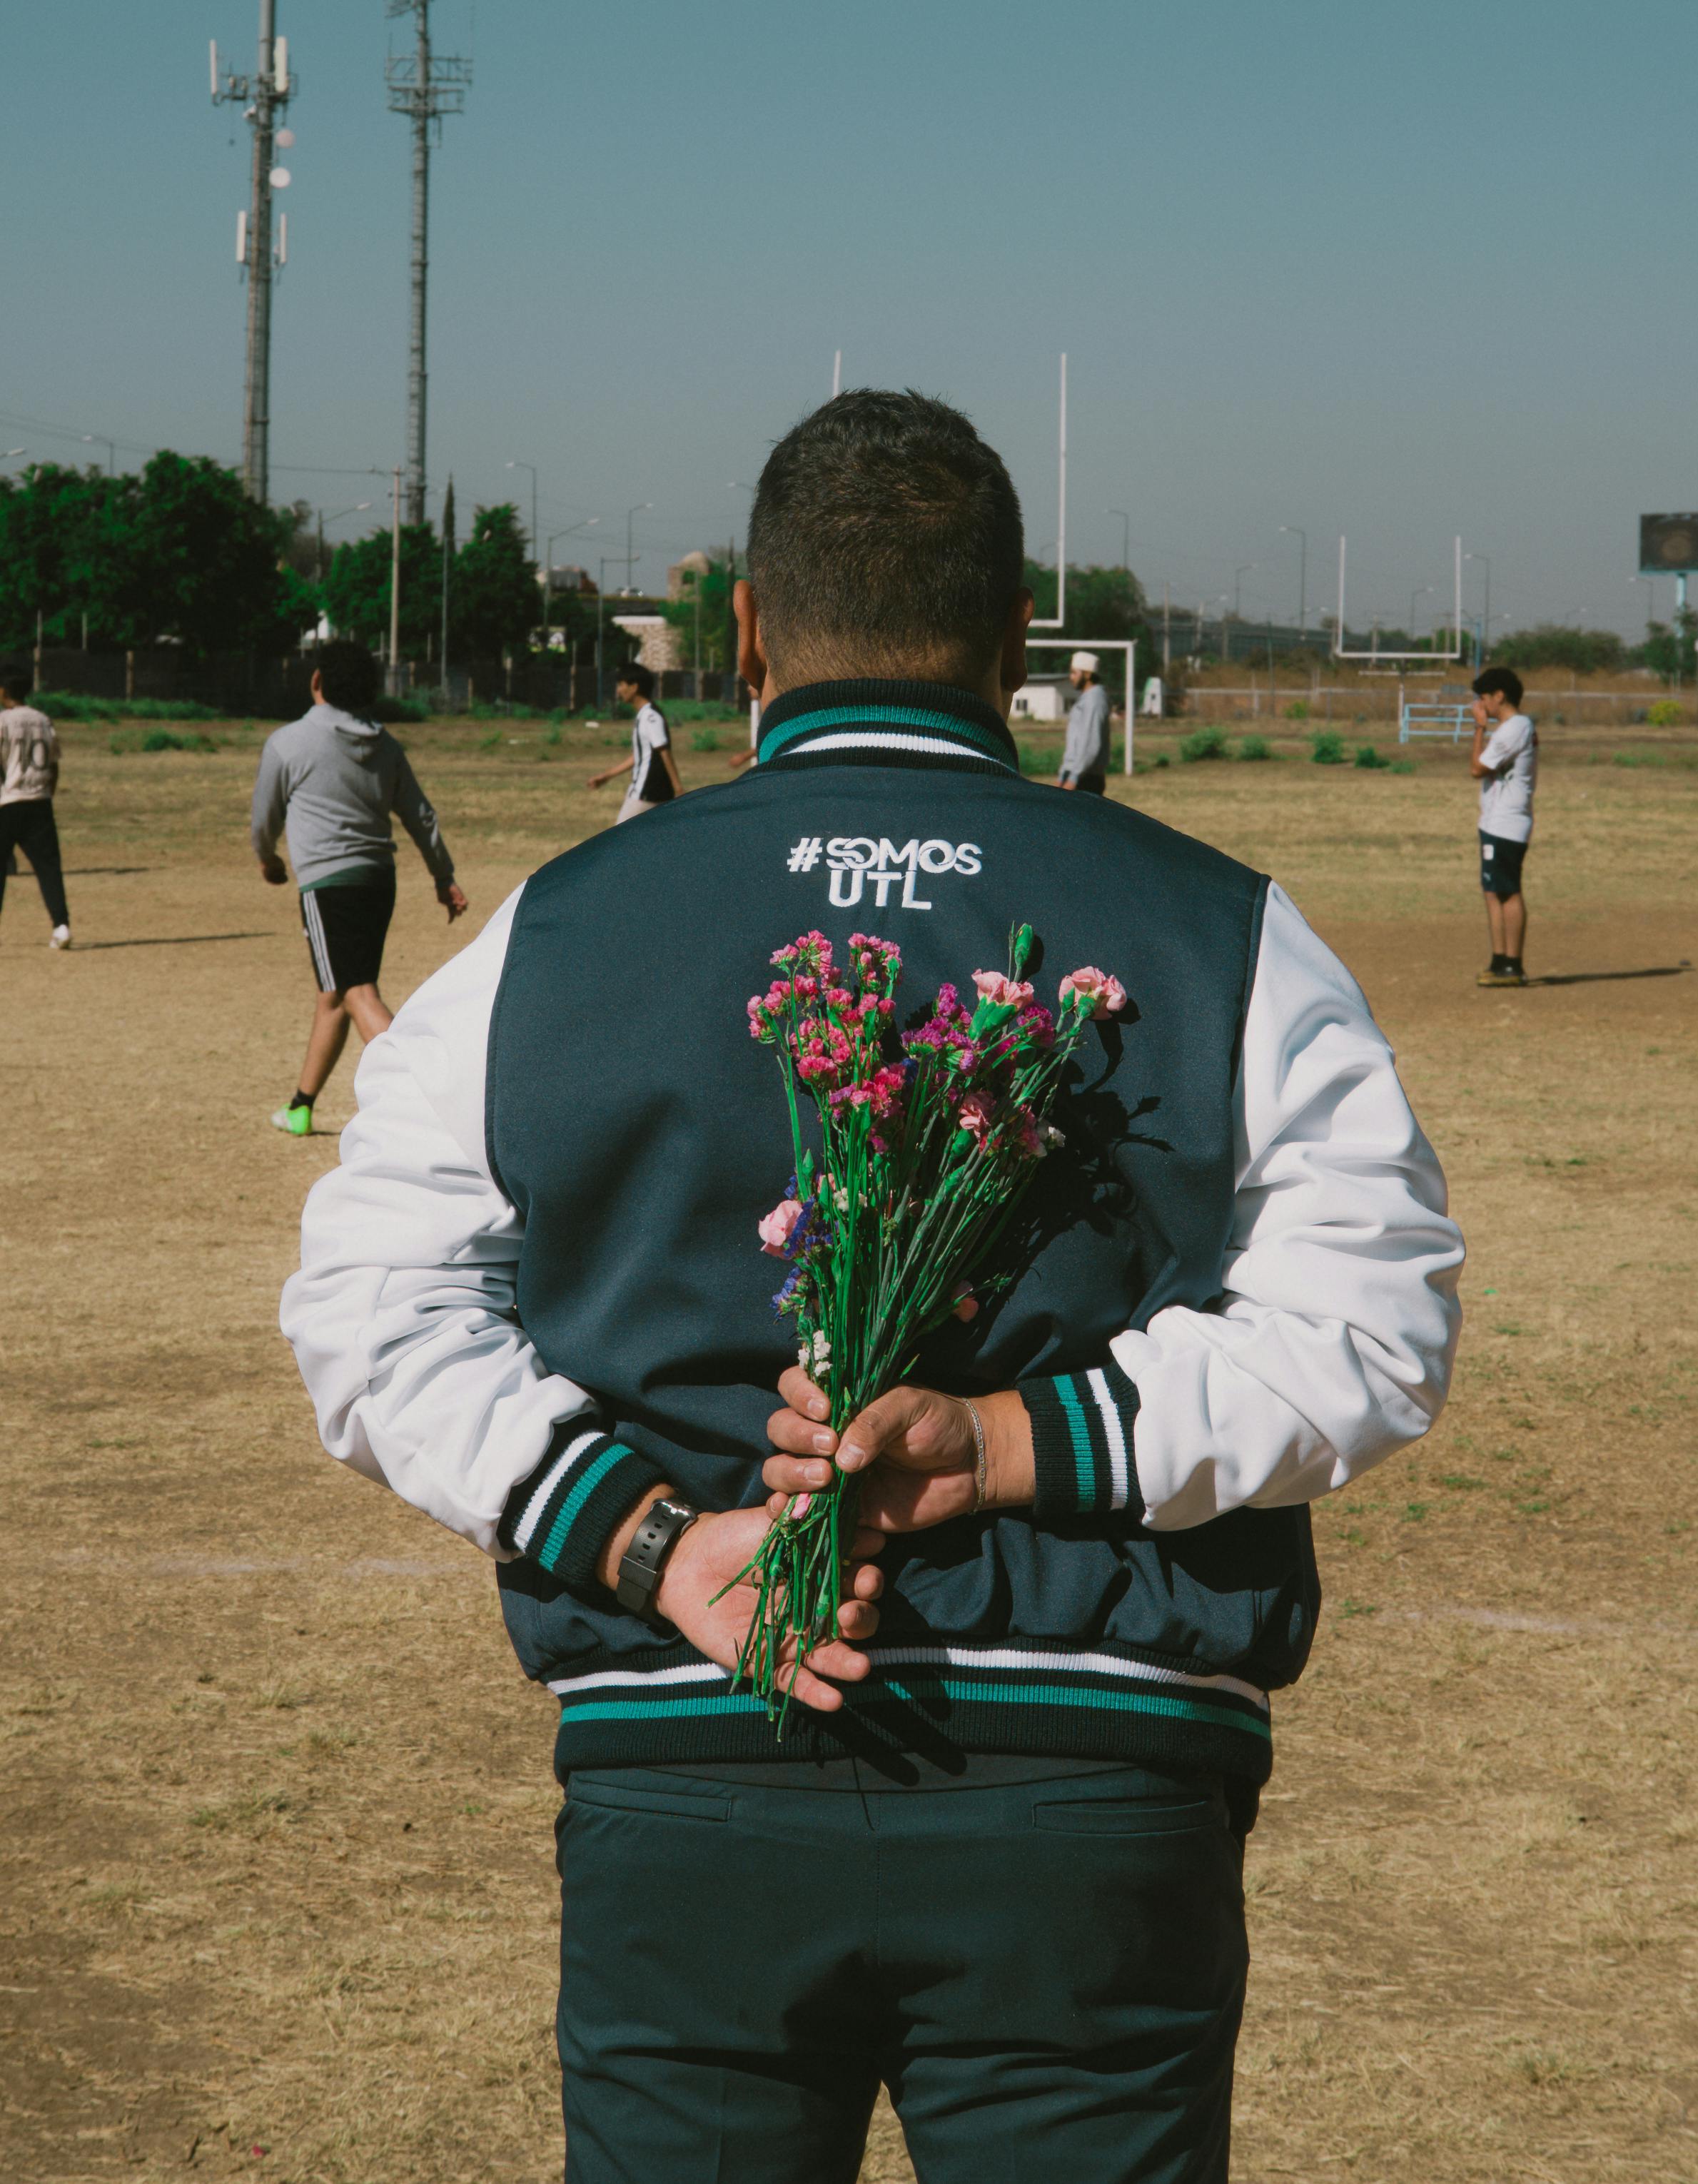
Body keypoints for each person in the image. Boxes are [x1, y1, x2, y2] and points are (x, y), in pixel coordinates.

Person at [282, 390, 1462, 2183]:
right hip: (1094, 1804)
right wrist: (1011, 1445)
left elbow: (366, 1316)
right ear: (1014, 640)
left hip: (690, 1780)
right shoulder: (1223, 927)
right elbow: (1373, 1325)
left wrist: (652, 1542)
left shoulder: (556, 930)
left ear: (744, 637)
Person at [251, 639, 468, 1138]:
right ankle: (301, 1106)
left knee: (356, 990)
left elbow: (264, 817)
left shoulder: (289, 741)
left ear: (316, 682)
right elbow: (420, 814)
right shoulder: (385, 744)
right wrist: (443, 875)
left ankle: (428, 1101)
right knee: (336, 992)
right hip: (377, 881)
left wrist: (268, 859)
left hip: (328, 884)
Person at [1469, 664, 1537, 986]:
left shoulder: (1516, 727)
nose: (1483, 705)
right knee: (1494, 891)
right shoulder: (1514, 728)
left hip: (1507, 823)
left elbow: (1477, 768)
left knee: (1507, 891)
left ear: (1500, 695)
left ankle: (1513, 964)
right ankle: (1500, 961)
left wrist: (1479, 728)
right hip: (1497, 821)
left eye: (1485, 698)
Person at [0, 661, 71, 949]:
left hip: (7, 802)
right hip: (40, 802)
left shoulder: (3, 721)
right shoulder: (43, 719)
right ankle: (62, 926)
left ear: (3, 691)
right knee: (49, 868)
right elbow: (53, 765)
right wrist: (47, 793)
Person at [587, 662, 682, 819]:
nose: (618, 690)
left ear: (634, 687)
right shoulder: (645, 714)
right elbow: (640, 756)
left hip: (645, 793)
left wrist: (678, 787)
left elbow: (664, 752)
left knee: (620, 839)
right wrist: (606, 776)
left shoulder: (650, 717)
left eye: (621, 685)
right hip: (653, 792)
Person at [1058, 647, 1110, 792]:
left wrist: (1074, 778)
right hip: (1075, 774)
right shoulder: (1086, 699)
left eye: (1074, 673)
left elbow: (1091, 742)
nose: (1071, 677)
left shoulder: (1095, 700)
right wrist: (1063, 775)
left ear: (1087, 674)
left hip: (1085, 778)